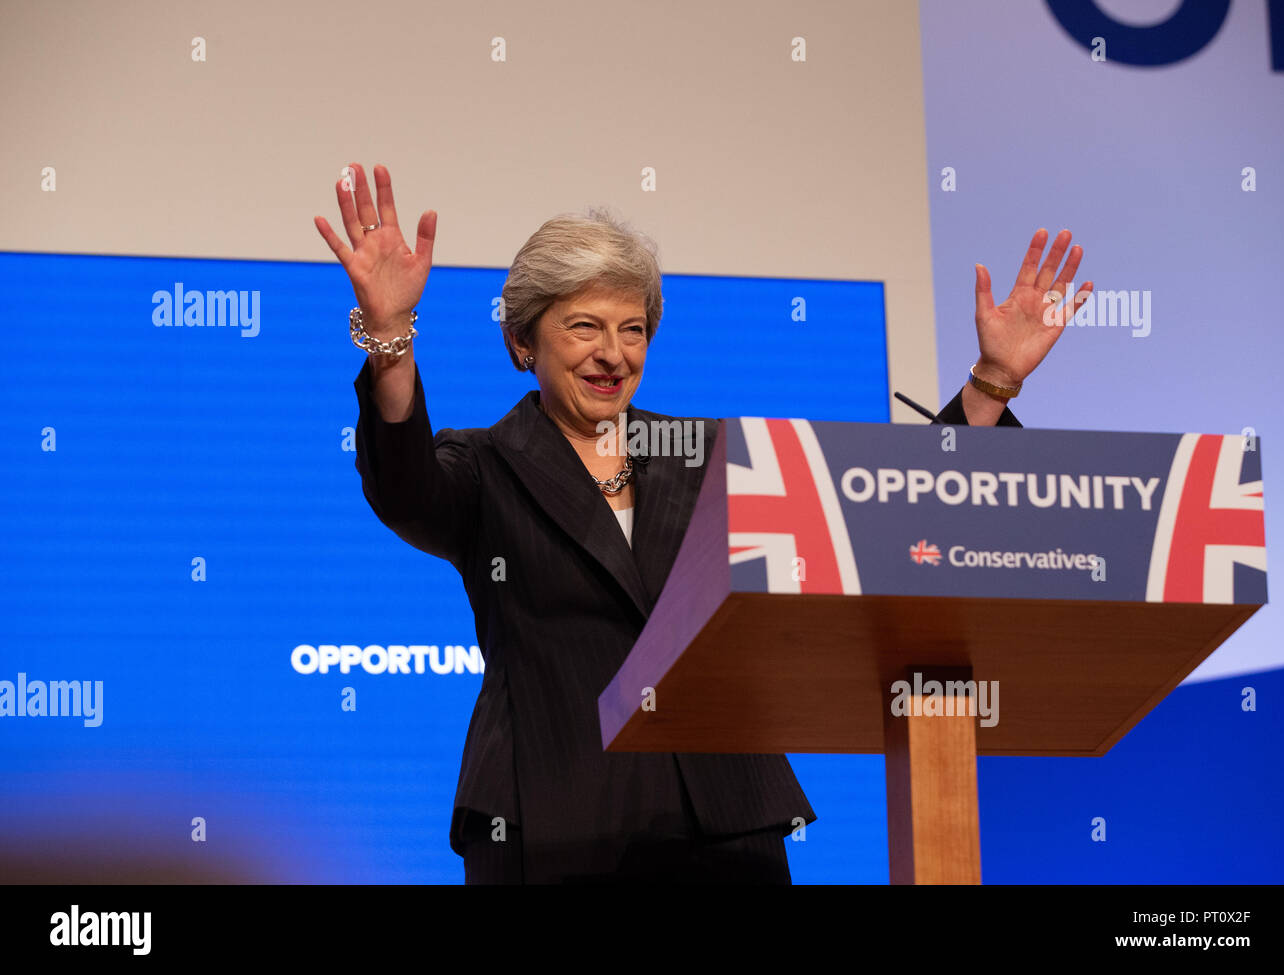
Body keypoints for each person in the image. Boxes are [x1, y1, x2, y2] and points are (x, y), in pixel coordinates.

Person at [313, 162, 1093, 883]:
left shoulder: (706, 451)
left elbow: (885, 505)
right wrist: (391, 341)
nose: (613, 353)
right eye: (584, 326)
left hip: (724, 826)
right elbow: (405, 487)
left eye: (633, 328)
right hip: (549, 821)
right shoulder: (485, 465)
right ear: (522, 341)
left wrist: (992, 383)